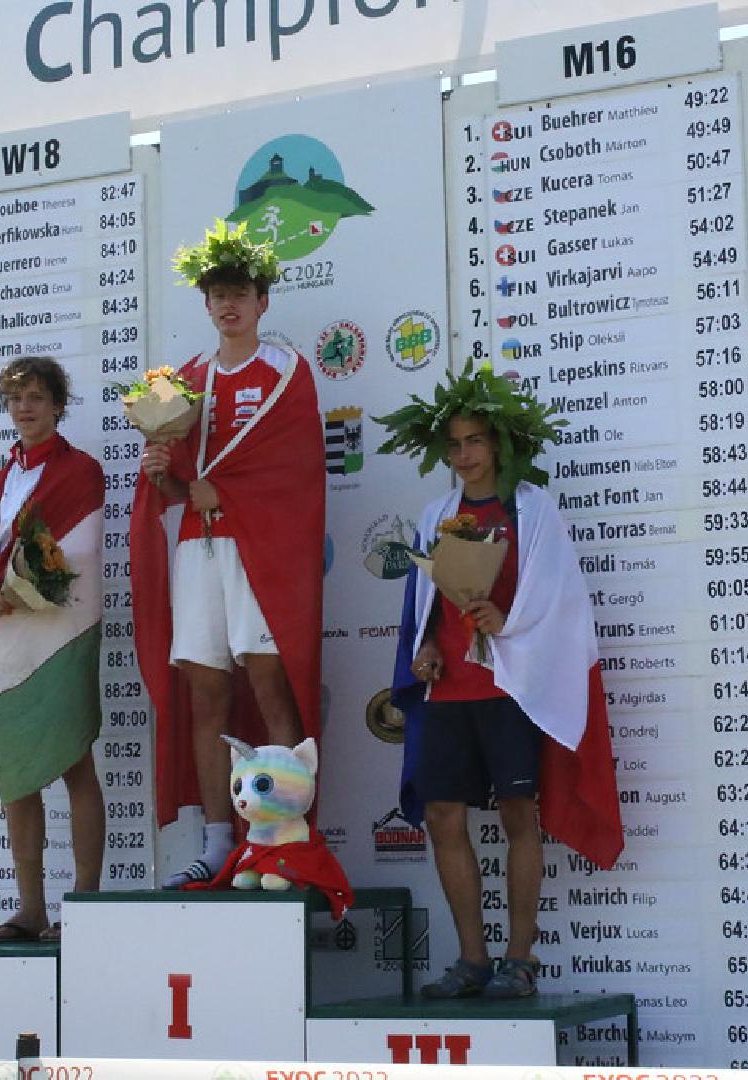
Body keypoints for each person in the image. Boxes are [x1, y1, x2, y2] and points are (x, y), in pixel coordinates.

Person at [378, 360, 622, 998]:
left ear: (499, 444)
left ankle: (520, 959)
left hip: (511, 687)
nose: (464, 455)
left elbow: (562, 601)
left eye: (475, 441)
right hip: (451, 690)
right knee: (441, 815)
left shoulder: (532, 509)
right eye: (454, 444)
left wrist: (506, 619)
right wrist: (426, 646)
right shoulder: (436, 513)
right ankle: (471, 960)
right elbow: (422, 606)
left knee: (519, 813)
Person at [130, 222, 325, 888]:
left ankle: (283, 838)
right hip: (196, 549)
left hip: (257, 546)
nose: (228, 305)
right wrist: (164, 473)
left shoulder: (286, 370)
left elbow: (293, 468)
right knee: (205, 693)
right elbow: (176, 480)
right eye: (216, 295)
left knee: (271, 684)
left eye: (240, 291)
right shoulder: (182, 379)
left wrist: (222, 490)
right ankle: (218, 841)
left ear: (263, 300)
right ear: (206, 305)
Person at [0, 358, 105, 942]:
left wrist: (14, 592)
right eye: (17, 399)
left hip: (60, 633)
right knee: (15, 775)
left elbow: (81, 552)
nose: (27, 408)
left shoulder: (83, 471)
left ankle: (87, 904)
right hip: (2, 640)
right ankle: (30, 909)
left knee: (75, 763)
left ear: (57, 405)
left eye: (38, 397)